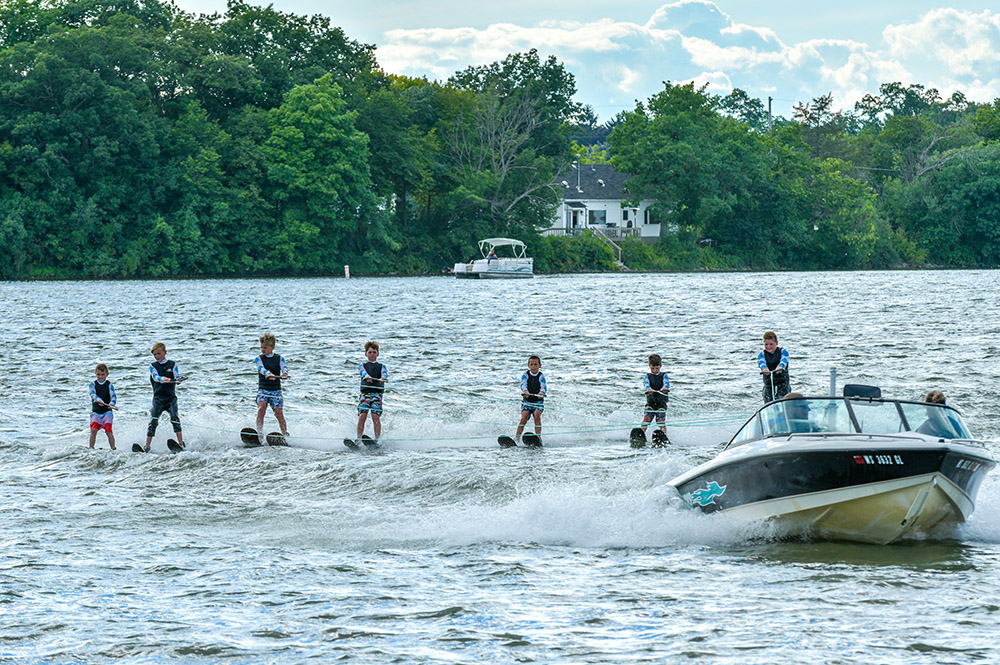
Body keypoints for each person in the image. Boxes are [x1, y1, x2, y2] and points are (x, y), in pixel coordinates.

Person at [145, 342, 184, 452]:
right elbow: (155, 376)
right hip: (158, 399)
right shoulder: (153, 366)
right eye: (155, 355)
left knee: (175, 419)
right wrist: (163, 379)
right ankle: (147, 446)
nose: (156, 356)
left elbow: (176, 378)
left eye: (159, 354)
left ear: (165, 352)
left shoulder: (172, 364)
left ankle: (181, 444)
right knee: (153, 421)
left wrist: (179, 380)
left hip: (171, 398)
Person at [254, 332, 289, 437]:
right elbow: (261, 369)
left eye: (265, 347)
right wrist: (268, 374)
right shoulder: (258, 358)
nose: (262, 350)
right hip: (263, 390)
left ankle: (284, 433)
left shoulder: (280, 358)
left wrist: (284, 374)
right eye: (261, 347)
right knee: (261, 409)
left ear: (272, 347)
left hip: (276, 390)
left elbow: (284, 367)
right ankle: (259, 432)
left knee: (278, 412)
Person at [356, 340, 387, 443]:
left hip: (377, 395)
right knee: (362, 415)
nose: (372, 354)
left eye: (374, 352)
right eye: (370, 352)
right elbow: (363, 372)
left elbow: (384, 374)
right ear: (366, 354)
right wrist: (367, 377)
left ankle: (377, 440)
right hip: (365, 394)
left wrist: (383, 378)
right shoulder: (362, 366)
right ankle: (359, 439)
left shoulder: (382, 366)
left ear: (378, 353)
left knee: (375, 416)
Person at [515, 355, 546, 443]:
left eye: (535, 364)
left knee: (537, 415)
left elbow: (543, 386)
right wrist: (525, 391)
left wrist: (541, 393)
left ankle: (538, 438)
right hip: (527, 401)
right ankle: (516, 438)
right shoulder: (525, 375)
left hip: (538, 401)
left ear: (540, 365)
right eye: (531, 364)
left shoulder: (541, 376)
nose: (533, 367)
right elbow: (523, 384)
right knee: (524, 417)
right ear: (528, 366)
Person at [641, 353, 670, 442]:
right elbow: (646, 384)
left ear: (660, 366)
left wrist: (664, 388)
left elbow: (666, 383)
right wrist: (649, 389)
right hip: (651, 403)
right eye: (652, 368)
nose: (654, 370)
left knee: (660, 420)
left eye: (657, 368)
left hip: (661, 403)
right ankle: (641, 435)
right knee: (646, 419)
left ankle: (664, 435)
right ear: (650, 367)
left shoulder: (664, 375)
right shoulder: (647, 377)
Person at [88, 363, 117, 450]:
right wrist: (98, 400)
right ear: (95, 374)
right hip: (96, 413)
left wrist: (112, 403)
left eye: (102, 374)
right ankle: (91, 448)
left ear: (107, 374)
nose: (100, 377)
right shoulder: (92, 384)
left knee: (108, 430)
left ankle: (113, 448)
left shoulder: (109, 385)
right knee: (93, 430)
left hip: (107, 412)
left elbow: (113, 396)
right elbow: (92, 394)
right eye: (98, 374)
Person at [757, 331, 790, 404]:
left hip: (782, 381)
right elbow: (761, 362)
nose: (768, 346)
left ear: (776, 343)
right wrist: (764, 368)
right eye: (766, 344)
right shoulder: (762, 354)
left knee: (783, 399)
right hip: (769, 382)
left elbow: (784, 360)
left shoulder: (783, 352)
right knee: (768, 400)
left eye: (771, 344)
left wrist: (780, 366)